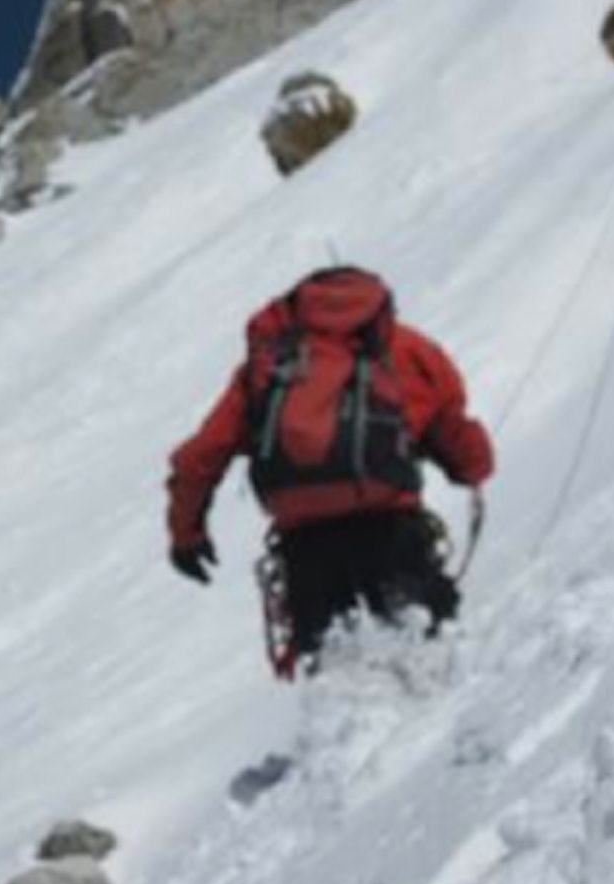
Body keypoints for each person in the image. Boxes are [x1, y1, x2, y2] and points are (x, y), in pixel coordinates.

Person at [166, 266, 495, 672]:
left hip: (306, 548)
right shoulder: (406, 349)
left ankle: (349, 726)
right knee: (425, 645)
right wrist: (473, 467)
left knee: (333, 668)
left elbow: (200, 456)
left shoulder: (272, 364)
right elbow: (456, 435)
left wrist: (187, 534)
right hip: (392, 529)